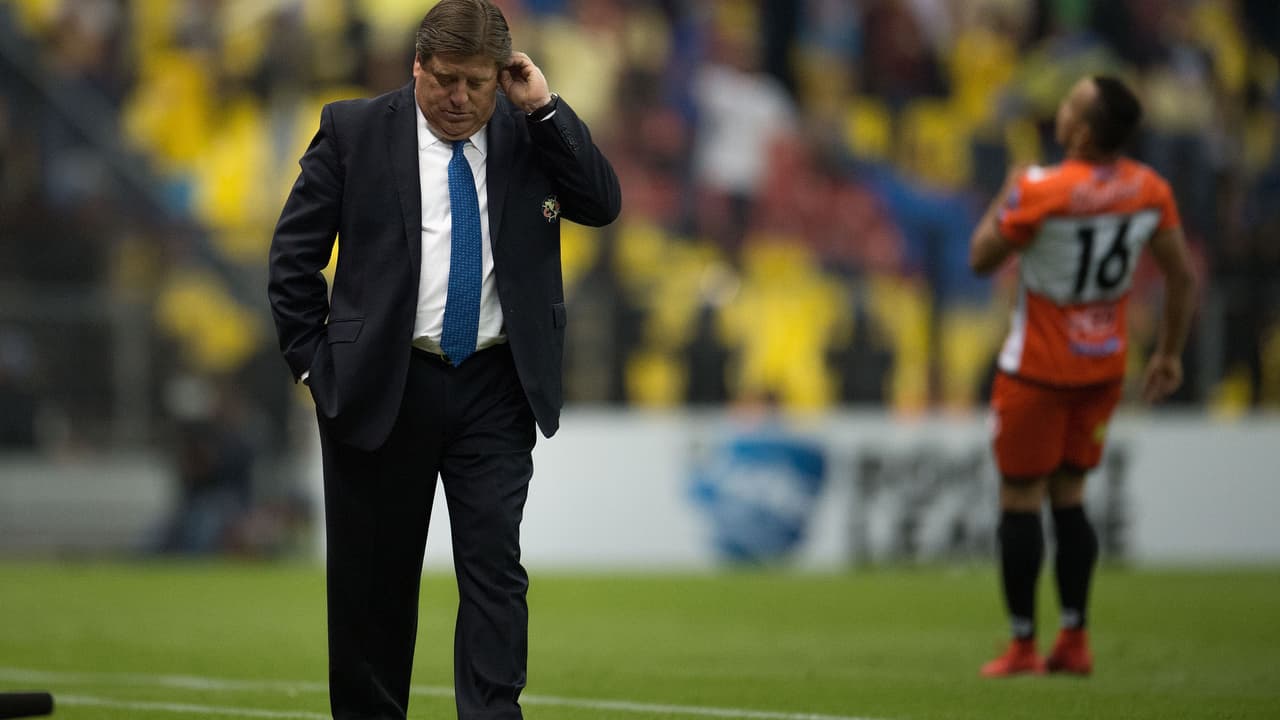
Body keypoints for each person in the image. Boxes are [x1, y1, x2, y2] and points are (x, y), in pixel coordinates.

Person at [267, 1, 621, 717]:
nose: (460, 98)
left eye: (477, 83)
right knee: (373, 585)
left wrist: (544, 107)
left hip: (494, 385)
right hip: (382, 384)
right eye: (445, 80)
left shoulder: (528, 132)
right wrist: (316, 369)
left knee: (496, 573)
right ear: (417, 67)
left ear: (501, 77)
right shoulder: (354, 131)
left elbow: (601, 202)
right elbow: (292, 263)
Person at [968, 75, 1196, 677]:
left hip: (1037, 371)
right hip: (1102, 369)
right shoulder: (1149, 189)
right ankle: (1075, 637)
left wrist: (1007, 191)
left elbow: (981, 258)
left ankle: (1023, 645)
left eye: (1070, 105)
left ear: (1084, 132)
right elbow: (1182, 276)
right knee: (1070, 498)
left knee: (1021, 500)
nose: (1061, 110)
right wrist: (1168, 353)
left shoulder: (1042, 190)